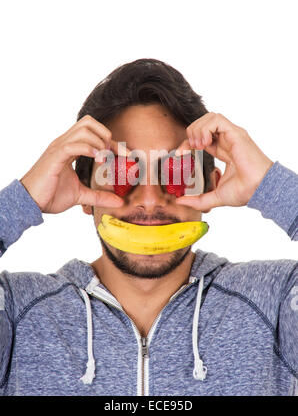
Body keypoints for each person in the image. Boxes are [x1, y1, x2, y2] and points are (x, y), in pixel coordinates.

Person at [0, 58, 297, 396]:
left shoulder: (276, 303)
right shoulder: (17, 313)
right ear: (83, 192)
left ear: (211, 185)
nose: (151, 199)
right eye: (121, 172)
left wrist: (270, 185)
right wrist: (21, 200)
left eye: (176, 172)